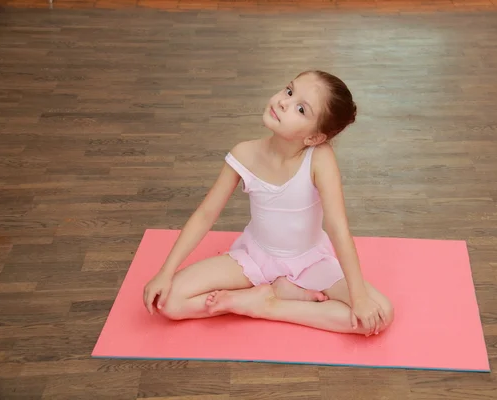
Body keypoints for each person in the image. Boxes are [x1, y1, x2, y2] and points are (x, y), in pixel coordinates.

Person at [143, 70, 394, 336]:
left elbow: (337, 227)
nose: (284, 102)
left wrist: (360, 298)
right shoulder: (244, 154)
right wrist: (164, 272)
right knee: (169, 302)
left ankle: (268, 304)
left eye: (300, 109)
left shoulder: (319, 158)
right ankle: (277, 292)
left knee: (381, 313)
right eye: (289, 90)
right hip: (254, 258)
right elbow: (206, 214)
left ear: (313, 138)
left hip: (309, 262)